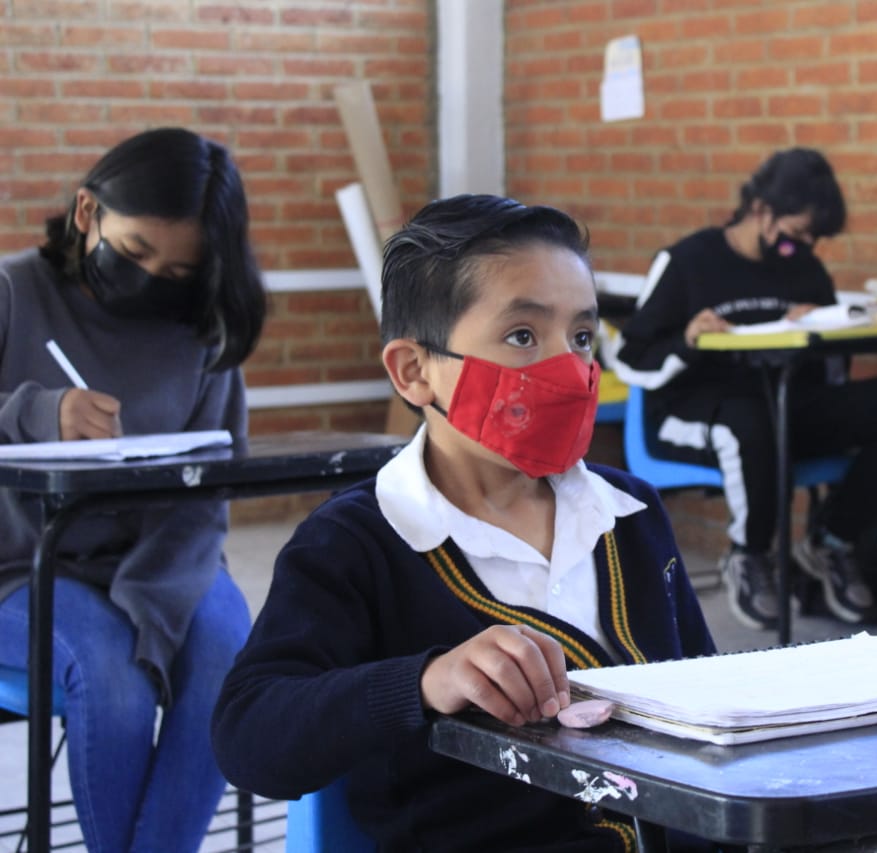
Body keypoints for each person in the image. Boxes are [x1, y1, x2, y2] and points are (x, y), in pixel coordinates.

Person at [211, 195, 725, 852]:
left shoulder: (630, 513)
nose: (570, 371)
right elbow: (250, 737)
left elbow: (712, 701)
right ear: (414, 371)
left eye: (582, 337)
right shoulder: (355, 543)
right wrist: (424, 681)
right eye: (522, 336)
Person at [0, 127, 266, 851]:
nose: (152, 277)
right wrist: (36, 413)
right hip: (21, 566)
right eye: (136, 251)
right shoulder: (14, 293)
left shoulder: (202, 328)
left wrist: (150, 603)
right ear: (87, 212)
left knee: (225, 658)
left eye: (178, 270)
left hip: (168, 556)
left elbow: (205, 493)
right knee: (112, 674)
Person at [614, 148, 877, 630]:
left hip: (786, 404)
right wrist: (688, 339)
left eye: (813, 238)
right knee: (750, 419)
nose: (804, 247)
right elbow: (629, 356)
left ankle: (832, 541)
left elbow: (830, 373)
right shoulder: (686, 261)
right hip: (695, 410)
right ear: (761, 209)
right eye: (797, 234)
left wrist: (819, 325)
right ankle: (749, 553)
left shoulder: (804, 268)